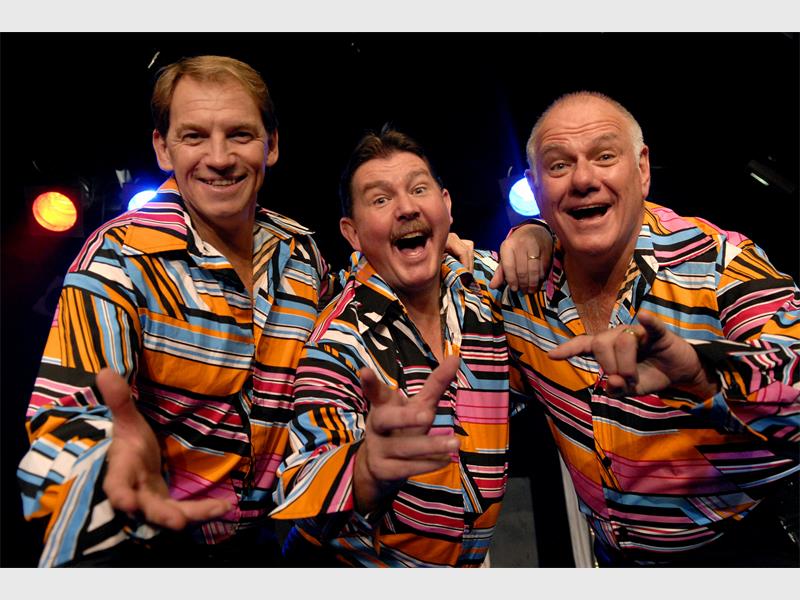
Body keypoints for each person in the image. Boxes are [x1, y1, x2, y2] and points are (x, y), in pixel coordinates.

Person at [16, 54, 550, 567]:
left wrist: (524, 236)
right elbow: (68, 414)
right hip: (153, 547)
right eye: (194, 136)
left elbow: (367, 292)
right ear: (162, 148)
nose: (219, 157)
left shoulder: (297, 255)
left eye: (240, 135)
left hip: (262, 549)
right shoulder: (119, 257)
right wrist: (106, 471)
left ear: (271, 145)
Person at [501, 90, 800, 567]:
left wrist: (702, 373)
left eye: (604, 156)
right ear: (536, 190)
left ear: (641, 169)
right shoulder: (519, 292)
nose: (583, 179)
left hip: (750, 550)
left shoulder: (719, 262)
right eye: (558, 166)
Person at [269, 127, 551, 567]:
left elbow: (570, 254)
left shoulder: (484, 288)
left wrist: (537, 232)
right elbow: (306, 485)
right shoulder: (337, 343)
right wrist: (367, 471)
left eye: (419, 189)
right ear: (353, 233)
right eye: (381, 199)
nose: (406, 207)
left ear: (446, 205)